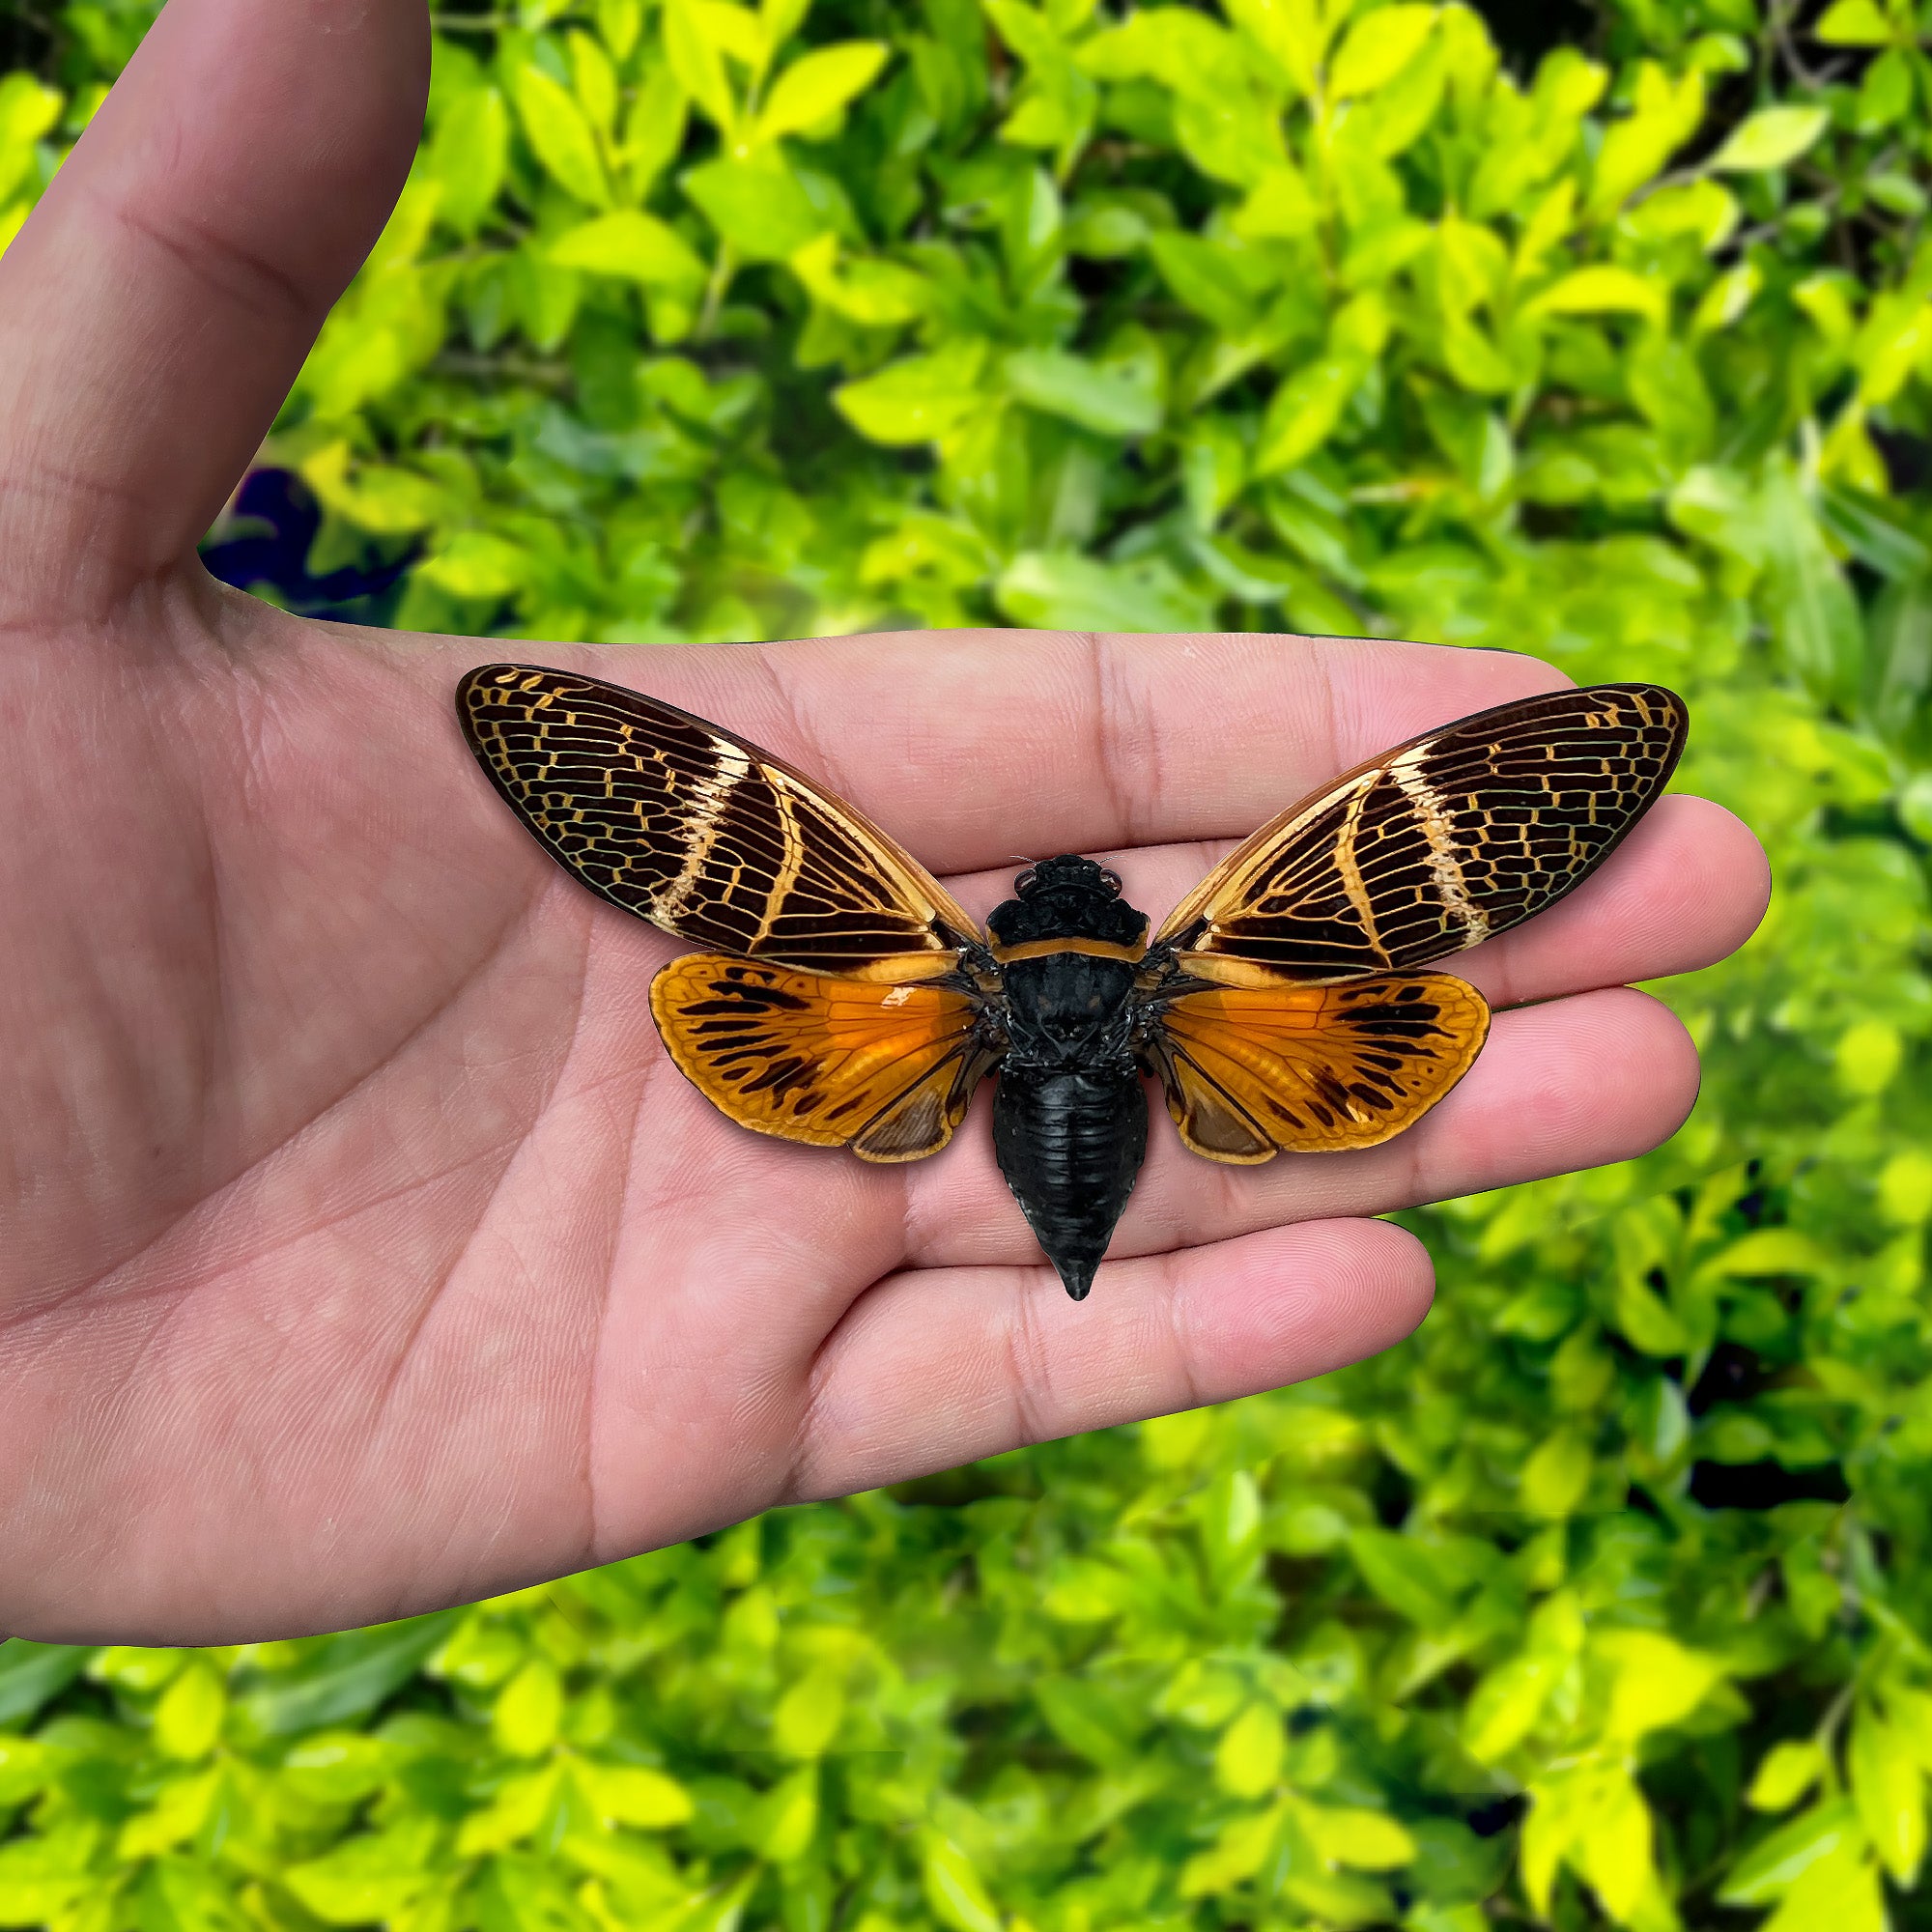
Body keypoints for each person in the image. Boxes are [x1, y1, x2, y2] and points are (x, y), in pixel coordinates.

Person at [0, 0, 1768, 1646]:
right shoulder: (1198, 941)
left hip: (909, 1033)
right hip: (1225, 1032)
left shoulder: (936, 940)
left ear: (1014, 932)